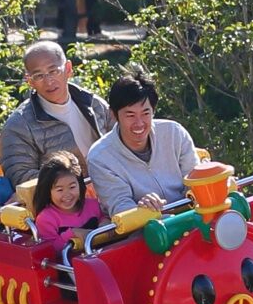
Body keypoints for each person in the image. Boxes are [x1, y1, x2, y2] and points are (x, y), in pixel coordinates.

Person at [85, 65, 203, 216]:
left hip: (192, 217)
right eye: (130, 115)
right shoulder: (100, 157)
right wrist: (142, 209)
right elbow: (119, 206)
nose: (139, 123)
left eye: (146, 113)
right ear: (114, 115)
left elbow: (194, 180)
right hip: (146, 231)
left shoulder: (174, 133)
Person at [0, 40, 115, 188]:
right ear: (29, 81)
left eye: (54, 71)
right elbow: (21, 178)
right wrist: (73, 183)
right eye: (39, 76)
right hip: (66, 203)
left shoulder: (93, 103)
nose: (48, 81)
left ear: (68, 69)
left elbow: (121, 142)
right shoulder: (18, 126)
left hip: (111, 186)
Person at [30, 151, 105, 249]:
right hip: (69, 262)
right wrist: (72, 234)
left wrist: (105, 222)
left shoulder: (93, 205)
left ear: (80, 185)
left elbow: (104, 216)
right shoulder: (46, 219)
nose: (67, 195)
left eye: (72, 187)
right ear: (48, 191)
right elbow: (50, 249)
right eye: (60, 190)